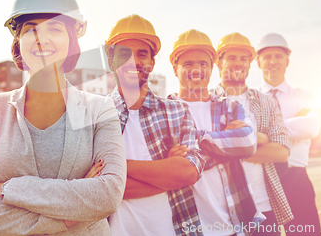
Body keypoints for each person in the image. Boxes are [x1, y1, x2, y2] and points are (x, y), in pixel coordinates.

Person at [0, 0, 126, 236]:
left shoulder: (101, 110)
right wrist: (61, 219)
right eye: (31, 29)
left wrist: (8, 188)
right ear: (18, 42)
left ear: (72, 39)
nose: (41, 39)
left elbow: (108, 195)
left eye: (54, 28)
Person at [105, 15, 206, 236]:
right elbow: (93, 188)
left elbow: (189, 172)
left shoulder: (176, 112)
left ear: (152, 61)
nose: (134, 61)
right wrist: (166, 172)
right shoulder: (95, 115)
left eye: (142, 54)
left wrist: (115, 167)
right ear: (111, 60)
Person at [167, 29, 265, 236]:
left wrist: (194, 142)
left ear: (212, 68)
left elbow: (247, 142)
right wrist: (226, 147)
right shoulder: (164, 111)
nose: (197, 70)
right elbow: (169, 168)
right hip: (188, 227)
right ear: (175, 69)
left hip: (235, 224)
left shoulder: (229, 107)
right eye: (188, 64)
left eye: (203, 64)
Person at [212, 33, 293, 236]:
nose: (238, 63)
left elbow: (282, 152)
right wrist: (260, 139)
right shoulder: (207, 102)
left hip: (263, 209)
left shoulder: (267, 102)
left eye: (243, 58)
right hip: (220, 212)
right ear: (218, 63)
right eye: (231, 58)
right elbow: (204, 148)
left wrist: (228, 144)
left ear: (250, 63)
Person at [256, 33, 321, 235]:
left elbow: (311, 126)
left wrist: (267, 133)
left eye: (278, 56)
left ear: (287, 61)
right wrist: (294, 123)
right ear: (258, 62)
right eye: (267, 57)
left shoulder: (303, 95)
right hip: (263, 180)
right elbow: (246, 136)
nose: (273, 61)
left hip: (296, 181)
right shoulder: (251, 98)